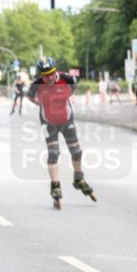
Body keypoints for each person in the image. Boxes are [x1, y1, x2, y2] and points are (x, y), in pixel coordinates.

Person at [26, 58, 96, 209]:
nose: (49, 78)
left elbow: (73, 87)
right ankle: (55, 186)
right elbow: (29, 96)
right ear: (40, 75)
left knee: (76, 151)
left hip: (66, 120)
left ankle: (78, 178)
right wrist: (38, 102)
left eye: (51, 73)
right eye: (45, 75)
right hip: (48, 122)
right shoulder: (37, 84)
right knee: (54, 153)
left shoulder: (67, 79)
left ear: (55, 70)